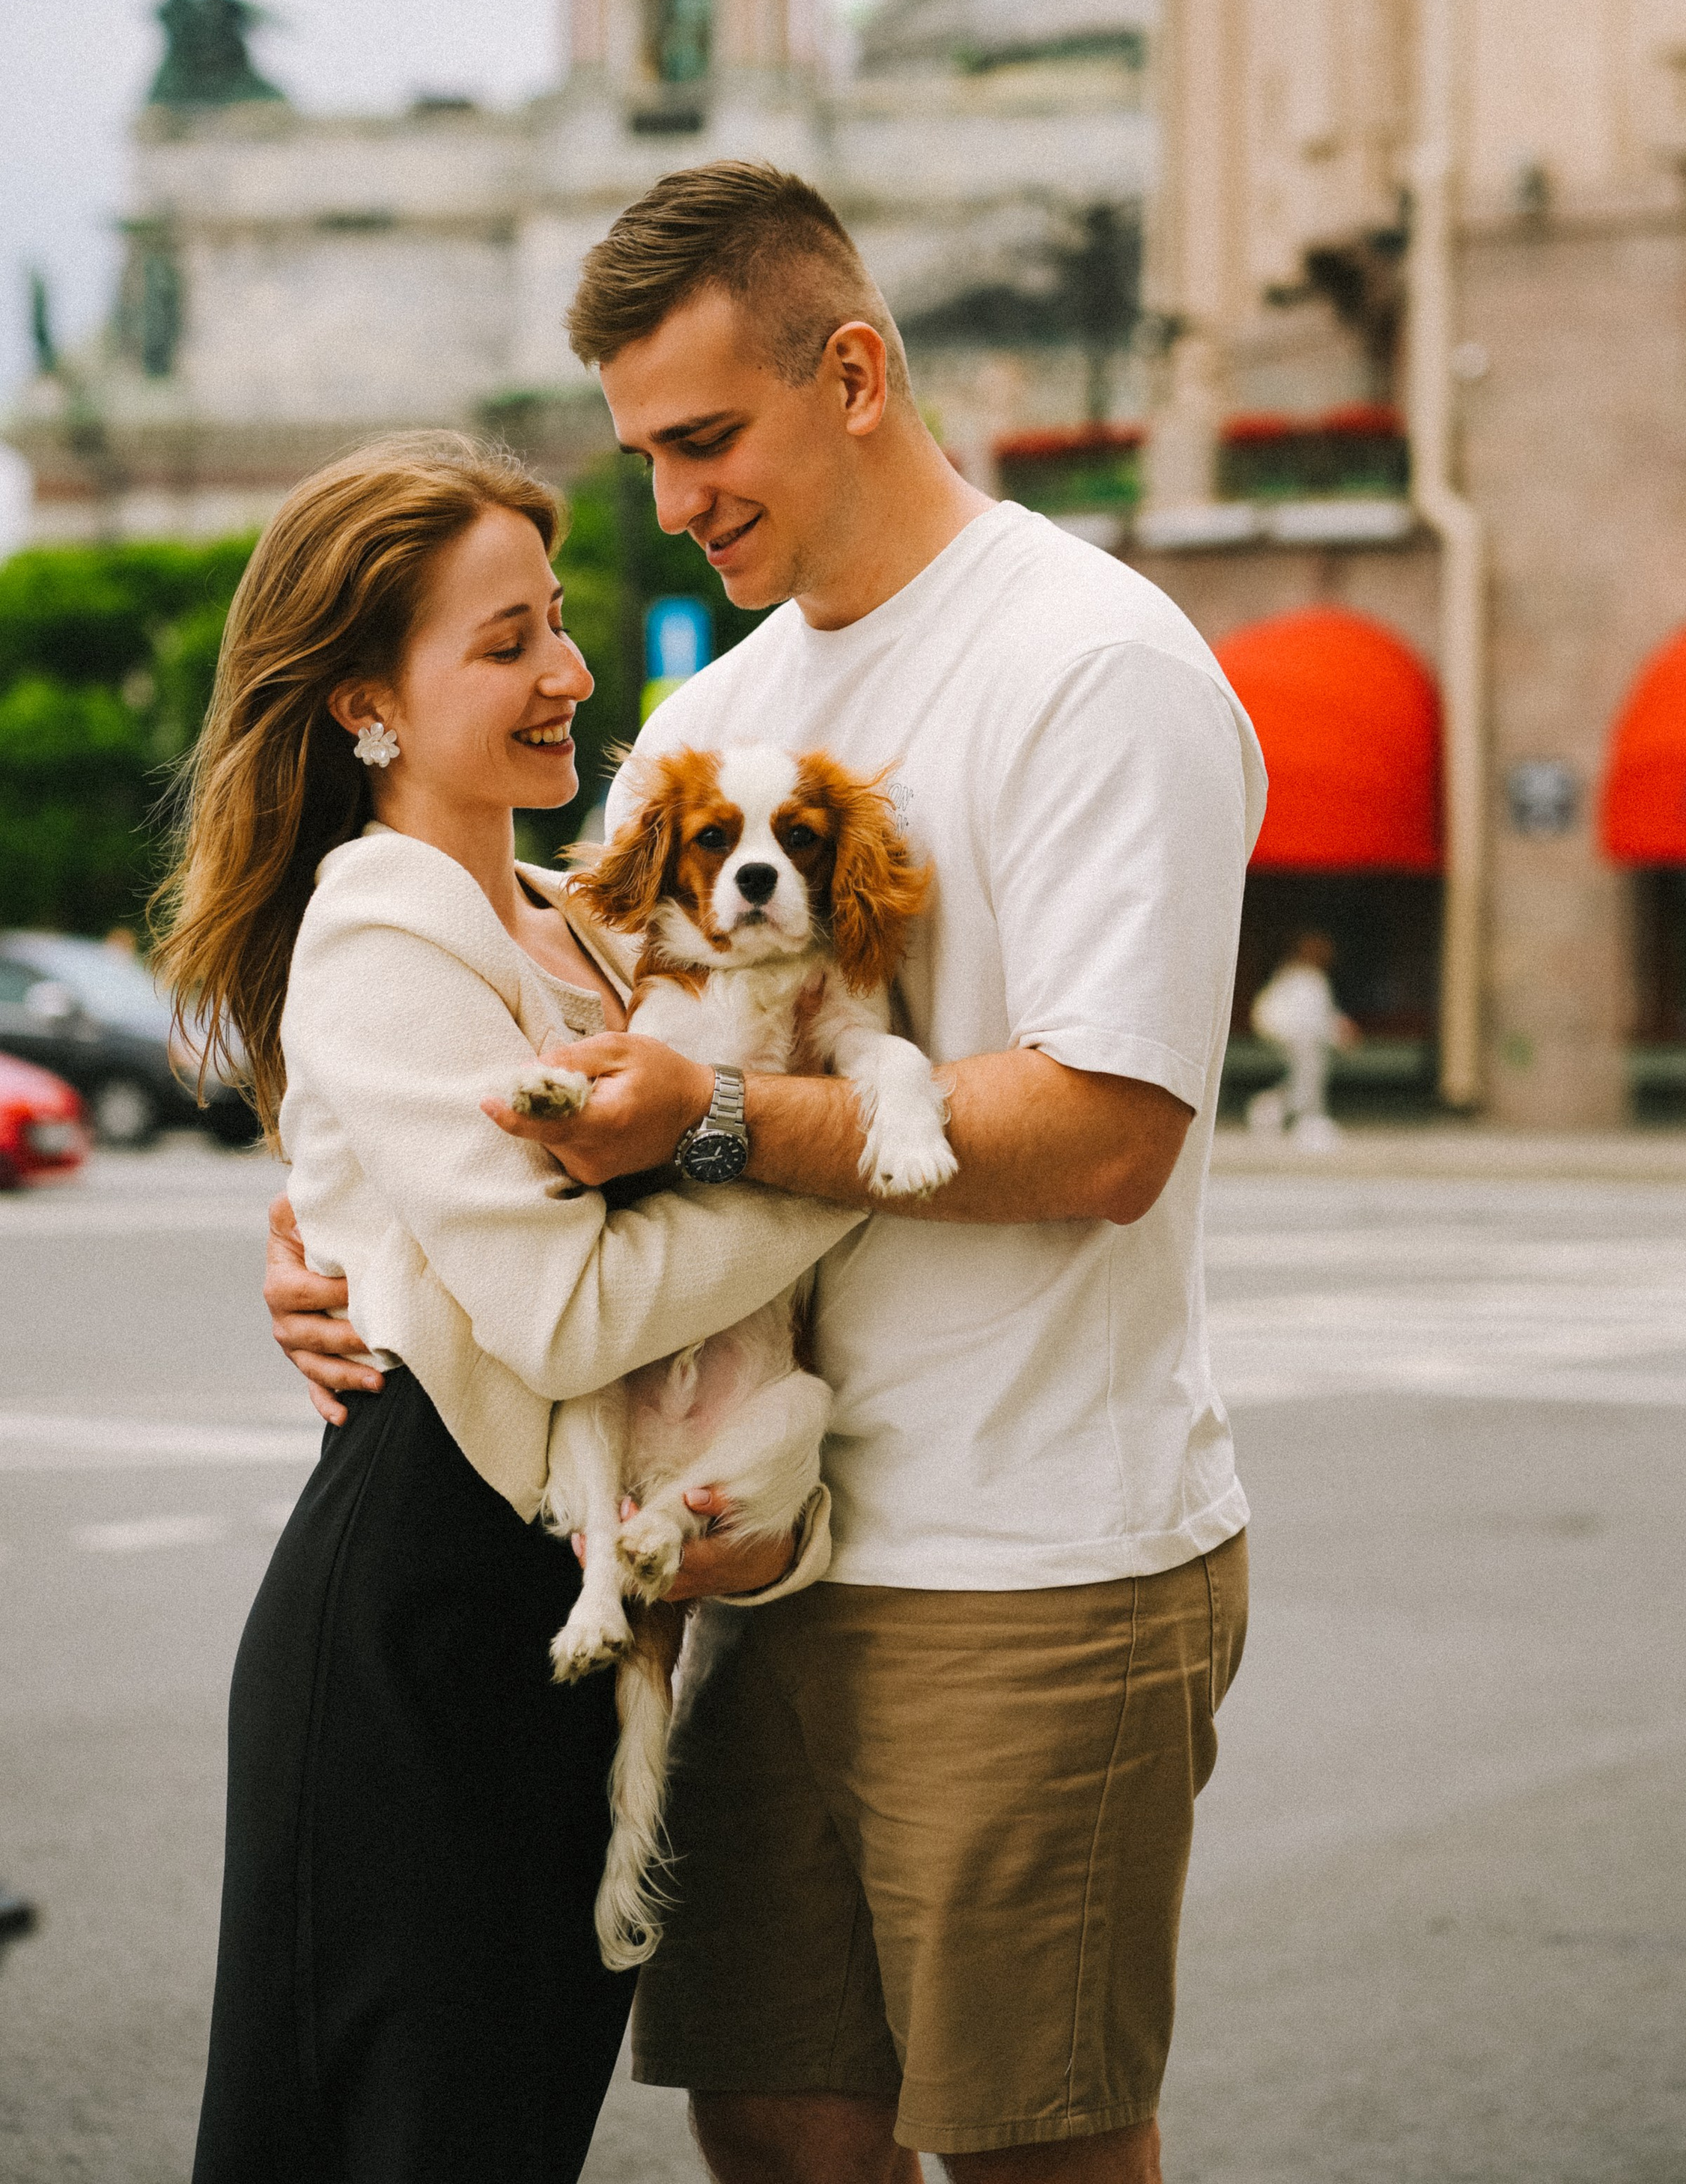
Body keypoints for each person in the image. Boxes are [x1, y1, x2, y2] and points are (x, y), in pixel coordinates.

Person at [269, 162, 1264, 2184]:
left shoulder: (1093, 664)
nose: (675, 500)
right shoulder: (703, 723)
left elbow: (1106, 1135)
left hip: (1031, 1555)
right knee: (779, 2139)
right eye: (643, 454)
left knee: (1036, 2148)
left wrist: (721, 1125)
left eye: (708, 439)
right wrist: (347, 1258)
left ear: (858, 372)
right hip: (748, 1568)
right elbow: (564, 1102)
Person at [160, 433, 856, 2184]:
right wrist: (827, 1163)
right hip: (412, 1636)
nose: (565, 673)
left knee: (501, 2130)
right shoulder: (378, 933)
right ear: (360, 704)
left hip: (558, 1639)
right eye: (501, 643)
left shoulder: (579, 920)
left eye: (553, 623)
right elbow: (560, 1315)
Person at [1247, 933, 1357, 1150]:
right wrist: (1335, 1033)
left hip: (1303, 1041)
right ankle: (1307, 1120)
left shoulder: (1313, 978)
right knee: (1309, 1059)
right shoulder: (1297, 977)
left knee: (1311, 1060)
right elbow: (1275, 1016)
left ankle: (1274, 1110)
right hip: (1284, 1040)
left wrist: (1339, 1030)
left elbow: (1322, 1018)